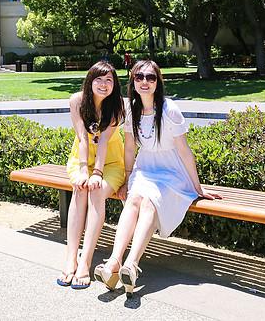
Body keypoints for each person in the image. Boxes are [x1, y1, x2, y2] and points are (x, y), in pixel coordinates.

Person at [94, 60, 221, 296]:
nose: (144, 81)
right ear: (133, 80)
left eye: (150, 77)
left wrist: (198, 187)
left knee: (150, 200)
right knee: (134, 199)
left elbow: (184, 151)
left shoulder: (169, 108)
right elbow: (130, 148)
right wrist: (128, 178)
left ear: (157, 82)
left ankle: (131, 264)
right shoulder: (131, 109)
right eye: (139, 77)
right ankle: (113, 262)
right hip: (145, 168)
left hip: (172, 172)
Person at [57, 61, 125, 290]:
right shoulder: (77, 101)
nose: (104, 84)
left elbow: (104, 141)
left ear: (114, 85)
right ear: (89, 80)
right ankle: (70, 259)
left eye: (109, 80)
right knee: (80, 189)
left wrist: (97, 173)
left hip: (112, 162)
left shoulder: (116, 107)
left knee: (95, 193)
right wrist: (84, 171)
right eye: (99, 79)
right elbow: (83, 138)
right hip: (81, 159)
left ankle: (85, 261)